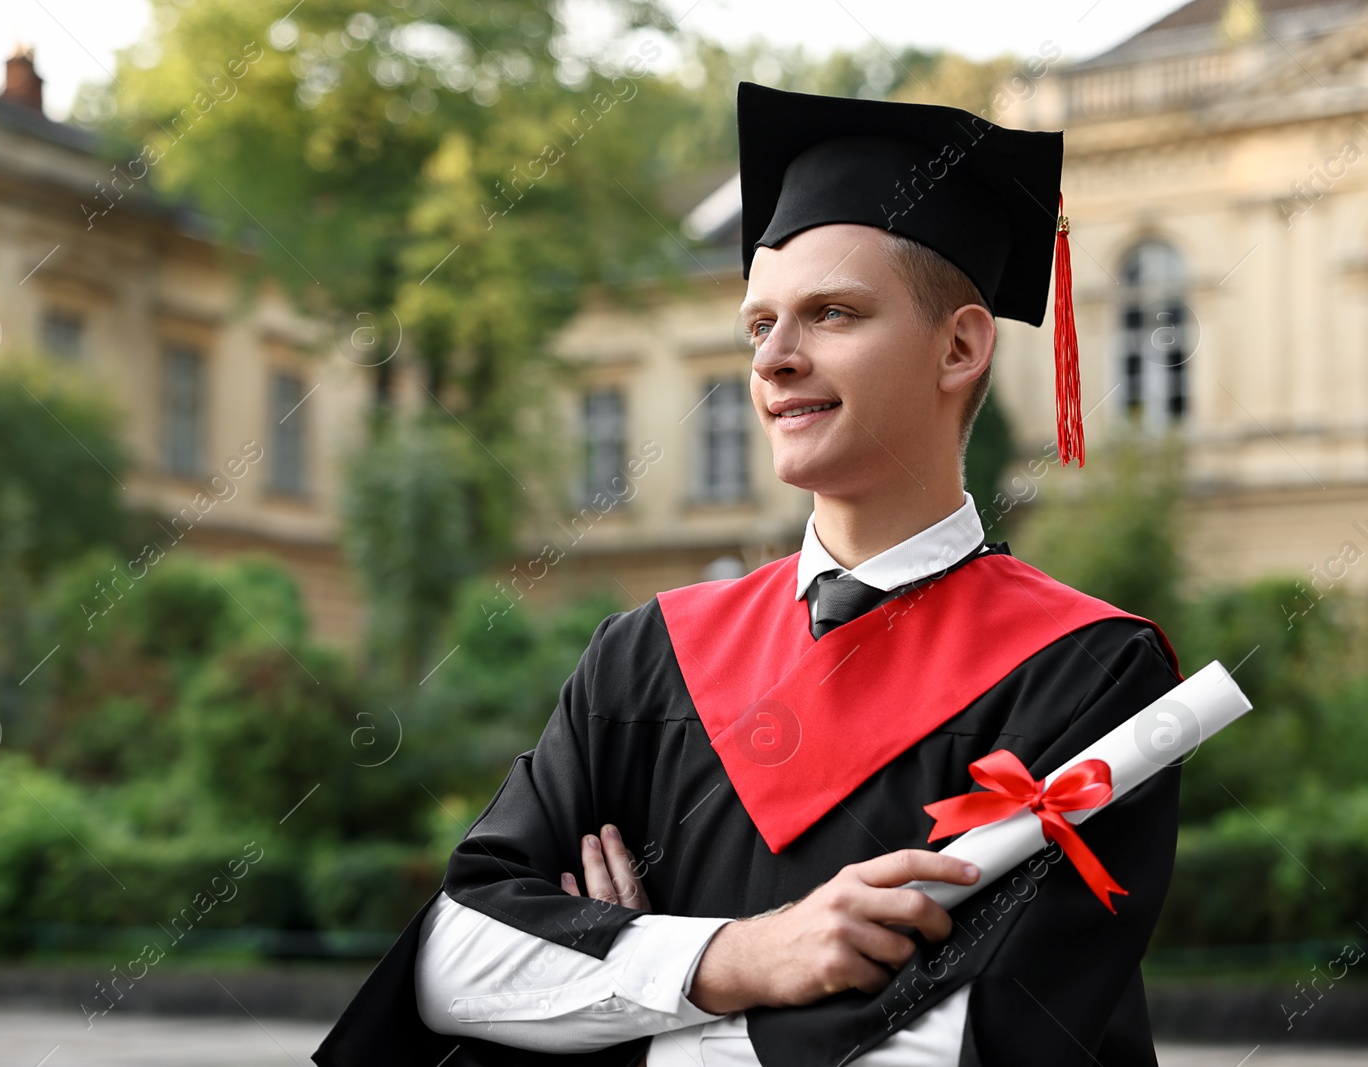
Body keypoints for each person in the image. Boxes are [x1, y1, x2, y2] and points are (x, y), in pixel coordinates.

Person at [313, 82, 1182, 1067]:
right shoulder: (647, 653)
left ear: (958, 345)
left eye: (831, 313)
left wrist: (616, 997)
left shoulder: (1088, 676)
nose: (773, 359)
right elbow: (452, 963)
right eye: (757, 323)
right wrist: (736, 957)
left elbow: (972, 1041)